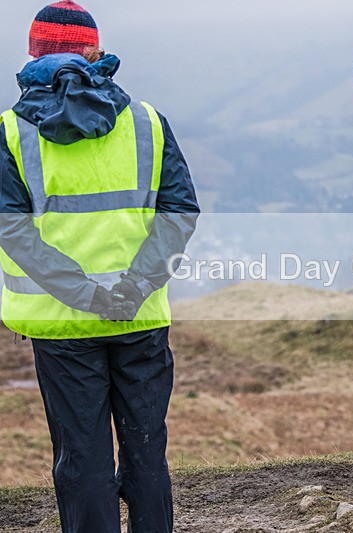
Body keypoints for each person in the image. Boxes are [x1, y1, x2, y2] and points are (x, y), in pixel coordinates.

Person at [0, 1, 199, 531]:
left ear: (33, 53)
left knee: (83, 460)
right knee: (146, 455)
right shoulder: (148, 122)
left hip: (61, 324)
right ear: (95, 52)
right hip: (140, 319)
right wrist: (132, 288)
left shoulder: (10, 132)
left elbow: (12, 229)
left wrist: (85, 295)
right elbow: (179, 213)